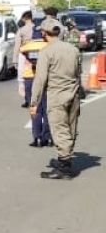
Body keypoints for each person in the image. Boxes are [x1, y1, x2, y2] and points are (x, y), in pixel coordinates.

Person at [32, 18, 83, 179]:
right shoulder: (73, 50)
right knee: (70, 128)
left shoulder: (46, 52)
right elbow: (78, 73)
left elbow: (40, 79)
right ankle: (65, 160)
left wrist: (34, 103)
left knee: (60, 130)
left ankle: (64, 168)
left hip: (57, 96)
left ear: (44, 33)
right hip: (73, 95)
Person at [19, 26, 52, 148]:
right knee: (47, 110)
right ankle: (48, 137)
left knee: (34, 109)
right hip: (46, 79)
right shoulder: (48, 46)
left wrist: (20, 83)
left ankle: (37, 137)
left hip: (30, 79)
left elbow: (21, 58)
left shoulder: (27, 46)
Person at [13, 11, 34, 106]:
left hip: (24, 55)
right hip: (38, 55)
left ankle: (27, 99)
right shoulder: (38, 29)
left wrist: (15, 60)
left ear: (25, 18)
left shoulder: (21, 30)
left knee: (23, 77)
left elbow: (17, 46)